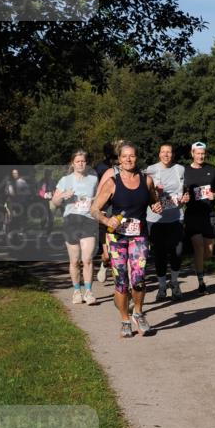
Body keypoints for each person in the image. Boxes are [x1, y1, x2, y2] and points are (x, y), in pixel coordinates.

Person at [91, 142, 162, 338]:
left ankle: (138, 313)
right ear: (119, 160)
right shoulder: (112, 182)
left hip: (139, 235)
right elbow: (94, 209)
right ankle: (124, 320)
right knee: (121, 281)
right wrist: (107, 219)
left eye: (132, 156)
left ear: (136, 158)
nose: (128, 159)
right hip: (117, 237)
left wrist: (156, 207)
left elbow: (154, 201)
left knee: (138, 278)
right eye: (124, 156)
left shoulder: (147, 180)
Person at [52, 150, 99, 305]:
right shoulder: (65, 180)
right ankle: (77, 291)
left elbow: (98, 199)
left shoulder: (93, 180)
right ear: (72, 163)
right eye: (77, 161)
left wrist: (98, 206)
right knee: (74, 261)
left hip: (88, 220)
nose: (80, 164)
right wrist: (62, 196)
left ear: (86, 163)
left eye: (83, 161)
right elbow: (54, 203)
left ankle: (89, 292)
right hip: (70, 221)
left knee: (88, 259)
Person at [146, 143, 186, 300]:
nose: (166, 155)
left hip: (176, 217)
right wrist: (153, 197)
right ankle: (162, 286)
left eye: (169, 152)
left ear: (173, 154)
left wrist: (184, 198)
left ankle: (174, 283)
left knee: (177, 252)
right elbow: (144, 190)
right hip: (156, 220)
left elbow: (184, 190)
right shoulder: (151, 169)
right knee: (160, 254)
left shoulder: (180, 169)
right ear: (159, 154)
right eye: (163, 152)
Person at [183, 141, 215, 295]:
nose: (200, 156)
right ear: (192, 153)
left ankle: (200, 265)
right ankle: (201, 282)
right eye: (197, 153)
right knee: (198, 245)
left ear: (205, 154)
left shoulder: (212, 170)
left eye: (202, 153)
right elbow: (180, 190)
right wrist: (183, 197)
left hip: (209, 213)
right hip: (192, 213)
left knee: (209, 252)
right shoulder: (185, 171)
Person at [94, 143, 117, 284]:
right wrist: (98, 206)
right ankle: (104, 264)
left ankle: (120, 284)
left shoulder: (125, 167)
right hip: (104, 212)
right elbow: (96, 188)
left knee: (117, 252)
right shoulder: (100, 168)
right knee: (107, 255)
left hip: (118, 212)